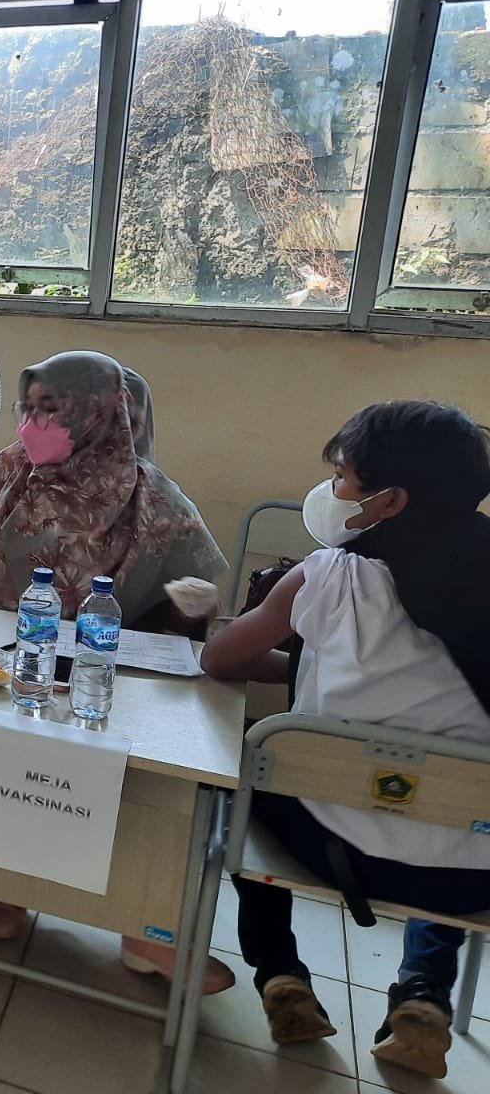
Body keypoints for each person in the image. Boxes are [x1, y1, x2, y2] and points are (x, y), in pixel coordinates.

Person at [0, 350, 233, 989]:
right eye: (29, 407)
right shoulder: (5, 473)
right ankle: (3, 889)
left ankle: (145, 929)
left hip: (107, 678)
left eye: (52, 409)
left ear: (99, 415)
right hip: (4, 660)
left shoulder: (152, 498)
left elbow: (180, 616)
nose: (32, 424)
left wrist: (193, 609)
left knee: (140, 793)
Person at [202, 401, 490, 1079]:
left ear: (390, 501)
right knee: (452, 806)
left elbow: (220, 660)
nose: (332, 491)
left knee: (243, 773)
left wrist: (290, 653)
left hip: (331, 848)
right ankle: (424, 993)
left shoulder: (330, 574)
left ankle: (280, 970)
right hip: (471, 876)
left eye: (342, 478)